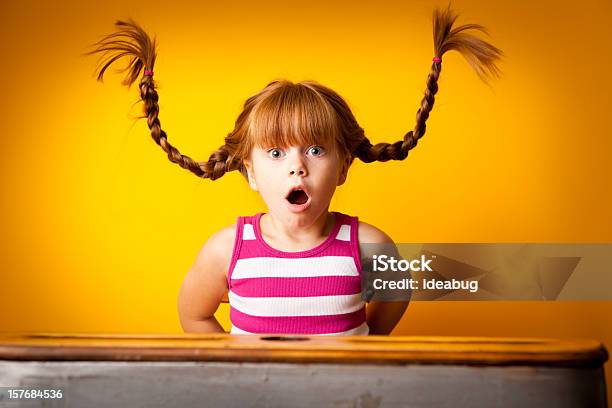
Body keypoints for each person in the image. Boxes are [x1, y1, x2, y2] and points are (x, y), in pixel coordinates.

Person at [88, 6, 502, 335]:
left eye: (316, 150)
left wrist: (367, 344)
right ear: (249, 172)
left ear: (343, 168)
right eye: (275, 154)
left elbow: (398, 290)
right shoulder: (226, 250)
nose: (296, 167)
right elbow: (192, 314)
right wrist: (232, 369)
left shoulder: (368, 246)